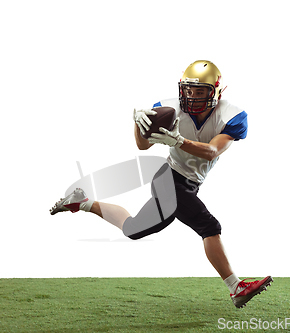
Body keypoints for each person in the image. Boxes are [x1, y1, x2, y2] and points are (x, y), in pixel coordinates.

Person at [50, 60, 272, 308]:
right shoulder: (168, 108)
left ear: (216, 91)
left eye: (200, 91)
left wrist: (178, 141)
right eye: (189, 90)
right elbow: (143, 146)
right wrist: (138, 124)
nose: (193, 96)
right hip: (168, 177)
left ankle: (83, 202)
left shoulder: (231, 116)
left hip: (190, 185)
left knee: (133, 229)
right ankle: (236, 287)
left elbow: (211, 151)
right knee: (208, 225)